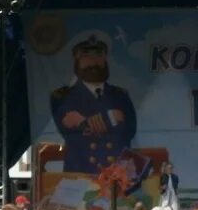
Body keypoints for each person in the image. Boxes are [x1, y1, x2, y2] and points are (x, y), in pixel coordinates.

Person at [50, 35, 138, 174]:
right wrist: (111, 116)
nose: (93, 62)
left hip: (117, 176)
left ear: (105, 60)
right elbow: (68, 127)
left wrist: (86, 121)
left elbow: (130, 130)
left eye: (98, 56)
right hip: (81, 173)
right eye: (87, 57)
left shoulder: (120, 95)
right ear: (77, 61)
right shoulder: (62, 96)